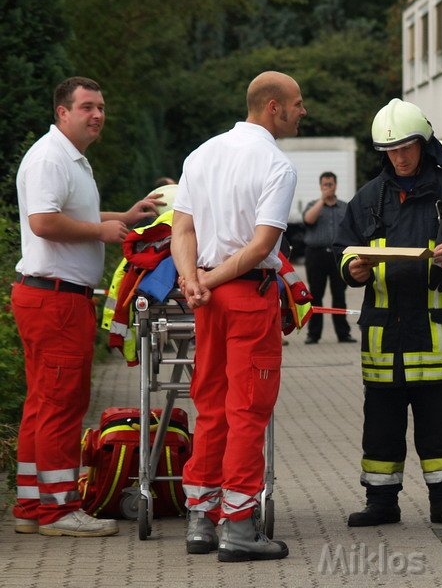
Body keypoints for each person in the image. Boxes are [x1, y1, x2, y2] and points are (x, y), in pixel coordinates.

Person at [337, 99, 442, 528]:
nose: (400, 157)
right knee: (381, 427)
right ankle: (381, 503)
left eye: (407, 147)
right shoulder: (370, 197)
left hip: (436, 332)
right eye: (391, 150)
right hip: (384, 337)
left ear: (423, 144)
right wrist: (351, 269)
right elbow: (343, 249)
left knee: (440, 426)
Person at [12, 76, 160, 537]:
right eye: (87, 107)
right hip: (55, 298)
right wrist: (100, 233)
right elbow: (43, 221)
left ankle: (32, 506)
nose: (97, 114)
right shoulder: (51, 158)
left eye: (101, 107)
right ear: (63, 112)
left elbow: (72, 215)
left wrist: (122, 218)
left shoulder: (70, 158)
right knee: (61, 404)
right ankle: (58, 511)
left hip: (53, 296)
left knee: (43, 403)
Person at [171, 71, 305, 561]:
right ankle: (239, 526)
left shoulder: (201, 154)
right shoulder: (276, 165)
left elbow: (181, 230)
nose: (301, 111)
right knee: (248, 409)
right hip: (245, 296)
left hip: (207, 299)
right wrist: (207, 281)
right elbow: (261, 246)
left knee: (210, 404)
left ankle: (200, 517)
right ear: (272, 106)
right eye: (296, 103)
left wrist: (192, 279)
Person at [302, 171, 354, 344]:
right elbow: (308, 220)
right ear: (320, 186)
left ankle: (343, 333)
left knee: (339, 294)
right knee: (315, 294)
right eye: (325, 185)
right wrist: (322, 200)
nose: (328, 188)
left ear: (336, 185)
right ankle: (313, 334)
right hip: (316, 255)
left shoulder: (344, 207)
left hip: (338, 256)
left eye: (330, 184)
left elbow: (351, 229)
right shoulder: (313, 205)